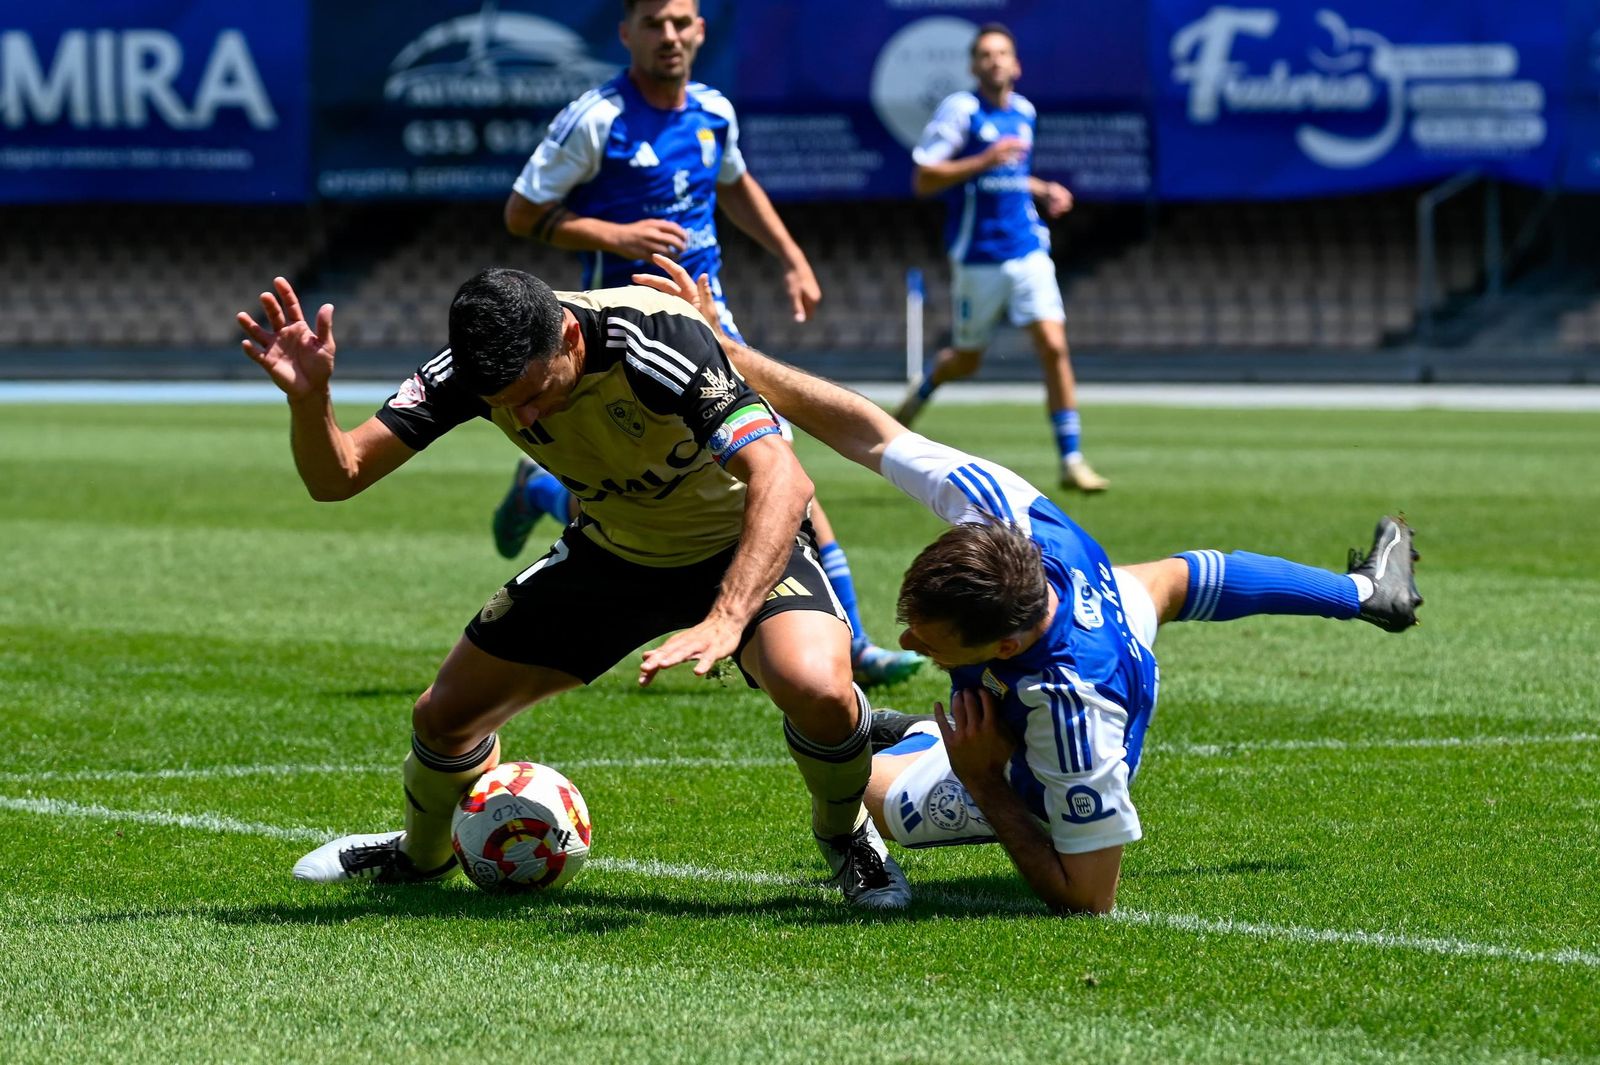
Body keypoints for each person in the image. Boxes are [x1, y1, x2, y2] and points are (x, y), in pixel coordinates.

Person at [635, 256, 1423, 914]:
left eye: (928, 639)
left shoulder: (1072, 718)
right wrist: (732, 354)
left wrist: (985, 778)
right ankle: (1364, 592)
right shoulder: (1010, 515)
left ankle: (925, 748)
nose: (905, 640)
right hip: (1091, 605)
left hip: (1053, 738)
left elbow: (1089, 898)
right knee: (1168, 579)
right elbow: (871, 433)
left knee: (868, 789)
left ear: (1004, 645)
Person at [235, 270, 911, 910]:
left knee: (817, 687)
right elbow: (339, 475)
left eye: (534, 394)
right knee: (442, 718)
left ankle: (845, 831)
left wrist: (730, 614)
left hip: (741, 545)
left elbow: (783, 478)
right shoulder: (477, 367)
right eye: (507, 408)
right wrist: (309, 401)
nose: (525, 420)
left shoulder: (657, 339)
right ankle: (420, 855)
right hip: (613, 554)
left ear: (569, 336)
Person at [493, 0, 923, 687]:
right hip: (618, 345)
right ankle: (542, 491)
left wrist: (790, 256)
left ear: (699, 31)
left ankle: (855, 641)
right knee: (627, 497)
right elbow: (522, 211)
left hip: (707, 329)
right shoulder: (594, 117)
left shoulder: (714, 111)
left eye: (683, 22)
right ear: (627, 32)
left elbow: (735, 180)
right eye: (655, 23)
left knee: (777, 464)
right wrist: (616, 236)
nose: (670, 35)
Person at [895, 22, 1109, 494]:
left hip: (1027, 247)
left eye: (1002, 53)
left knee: (1054, 345)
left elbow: (1012, 176)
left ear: (1016, 64)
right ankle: (929, 383)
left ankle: (1071, 459)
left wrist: (1043, 188)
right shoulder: (962, 111)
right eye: (986, 55)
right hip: (978, 256)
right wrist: (981, 161)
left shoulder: (1024, 112)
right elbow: (924, 178)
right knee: (968, 361)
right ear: (974, 66)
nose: (995, 61)